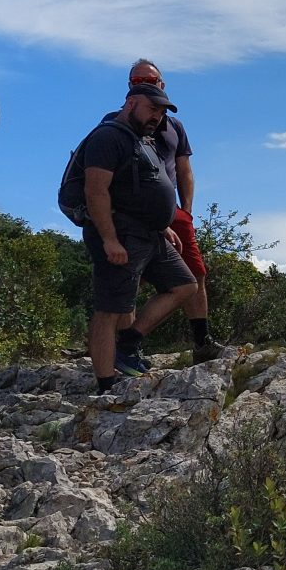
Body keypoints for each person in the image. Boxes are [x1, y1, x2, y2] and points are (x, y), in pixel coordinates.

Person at [80, 82, 197, 393]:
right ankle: (107, 384)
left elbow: (144, 188)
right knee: (110, 308)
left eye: (161, 112)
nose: (156, 116)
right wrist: (109, 239)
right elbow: (96, 191)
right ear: (131, 103)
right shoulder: (107, 137)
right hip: (122, 233)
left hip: (151, 233)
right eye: (152, 108)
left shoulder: (142, 140)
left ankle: (128, 342)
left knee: (184, 284)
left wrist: (163, 225)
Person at [107, 61, 222, 363]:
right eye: (138, 79)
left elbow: (184, 169)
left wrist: (187, 211)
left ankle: (201, 341)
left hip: (173, 213)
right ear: (130, 85)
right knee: (132, 278)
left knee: (194, 273)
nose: (145, 82)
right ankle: (125, 346)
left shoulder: (174, 126)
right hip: (133, 215)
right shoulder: (116, 122)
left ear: (162, 84)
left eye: (152, 79)